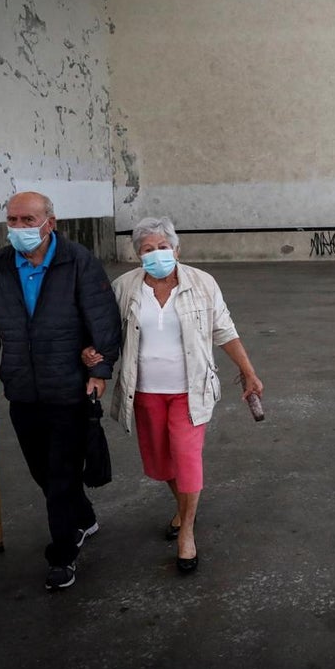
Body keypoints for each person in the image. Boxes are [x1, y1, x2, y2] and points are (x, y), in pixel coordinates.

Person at [84, 216, 263, 574]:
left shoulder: (202, 283)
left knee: (186, 458)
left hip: (190, 390)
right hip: (145, 391)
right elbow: (104, 332)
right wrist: (92, 355)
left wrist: (248, 371)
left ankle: (188, 534)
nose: (156, 255)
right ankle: (183, 510)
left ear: (177, 250)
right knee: (162, 463)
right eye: (147, 249)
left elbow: (223, 330)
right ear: (138, 255)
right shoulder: (125, 287)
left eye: (163, 247)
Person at [0, 191, 122, 591]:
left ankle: (63, 554)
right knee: (42, 470)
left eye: (27, 220)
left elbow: (103, 320)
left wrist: (100, 369)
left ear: (50, 223)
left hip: (68, 387)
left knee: (59, 473)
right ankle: (83, 517)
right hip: (22, 389)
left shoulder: (78, 262)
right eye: (13, 220)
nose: (18, 228)